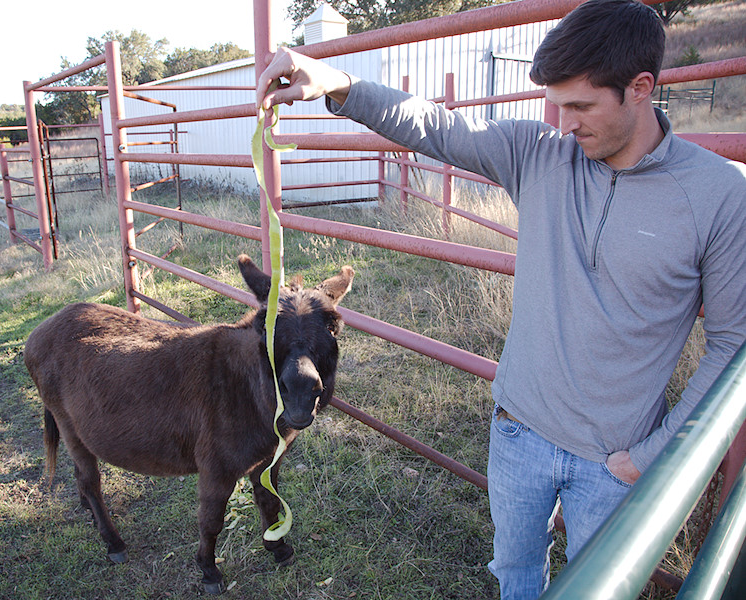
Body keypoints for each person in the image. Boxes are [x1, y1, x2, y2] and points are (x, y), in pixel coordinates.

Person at [256, 0, 746, 598]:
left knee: (603, 590)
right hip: (518, 432)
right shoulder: (541, 154)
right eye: (557, 104)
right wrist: (339, 84)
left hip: (617, 460)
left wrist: (650, 457)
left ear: (640, 88)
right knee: (514, 578)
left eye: (581, 105)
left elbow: (731, 343)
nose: (563, 123)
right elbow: (437, 126)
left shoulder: (720, 197)